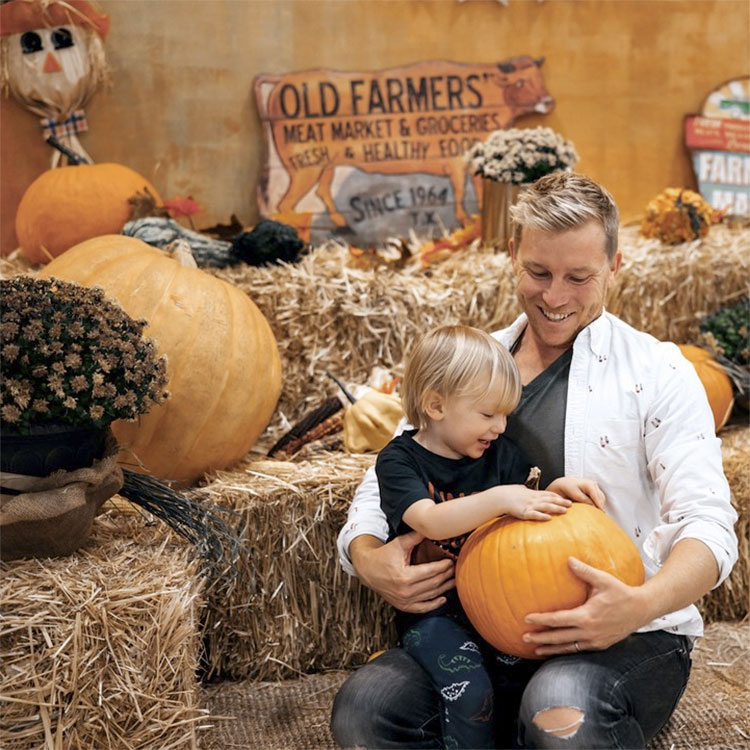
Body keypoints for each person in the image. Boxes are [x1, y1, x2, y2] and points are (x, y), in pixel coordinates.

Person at [331, 172, 738, 749]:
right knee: (364, 711)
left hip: (623, 635)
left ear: (615, 266)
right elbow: (380, 493)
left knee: (558, 711)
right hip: (475, 628)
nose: (554, 296)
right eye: (538, 272)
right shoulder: (467, 364)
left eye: (579, 277)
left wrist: (638, 604)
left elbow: (709, 525)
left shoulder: (661, 373)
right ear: (513, 256)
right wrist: (370, 560)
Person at [376, 324, 605, 749]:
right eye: (487, 414)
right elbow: (429, 521)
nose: (500, 426)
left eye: (506, 415)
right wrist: (500, 498)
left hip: (497, 609)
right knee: (471, 691)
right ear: (436, 405)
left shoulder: (500, 454)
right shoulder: (399, 461)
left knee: (523, 686)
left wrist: (555, 493)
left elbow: (524, 509)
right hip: (435, 615)